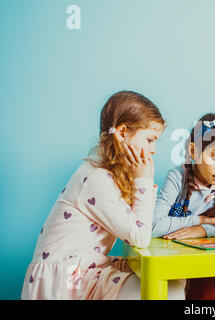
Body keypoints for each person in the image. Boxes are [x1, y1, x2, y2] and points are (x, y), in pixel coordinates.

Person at [21, 91, 185, 300]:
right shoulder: (96, 178)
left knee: (173, 281)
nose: (153, 150)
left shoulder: (111, 176)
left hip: (87, 268)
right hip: (68, 279)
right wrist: (144, 179)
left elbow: (138, 228)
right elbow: (139, 236)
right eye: (150, 139)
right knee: (166, 290)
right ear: (123, 132)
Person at [152, 113, 215, 300]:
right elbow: (153, 226)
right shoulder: (178, 177)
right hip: (176, 263)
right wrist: (197, 220)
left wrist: (203, 229)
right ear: (193, 151)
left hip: (210, 264)